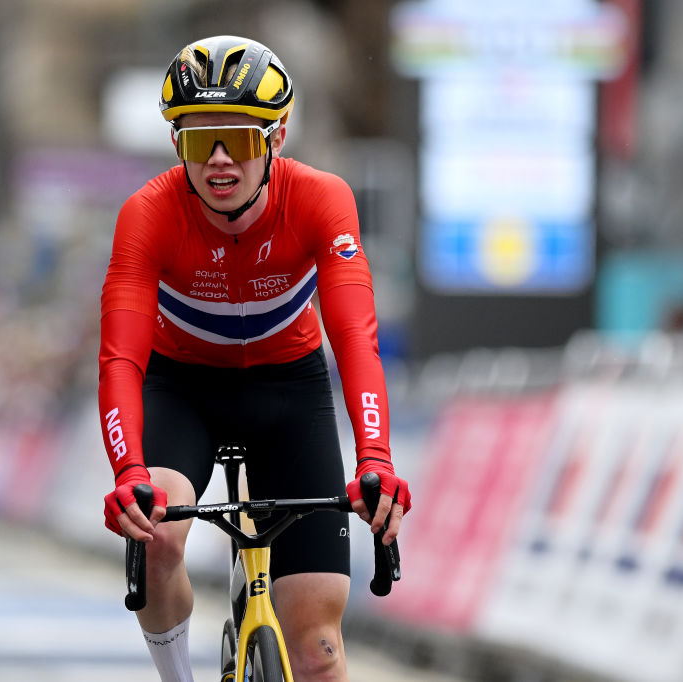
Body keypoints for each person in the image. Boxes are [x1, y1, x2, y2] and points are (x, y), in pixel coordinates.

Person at [98, 35, 411, 682]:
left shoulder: (322, 199)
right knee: (158, 538)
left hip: (287, 392)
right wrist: (129, 469)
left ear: (277, 137)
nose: (217, 161)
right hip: (180, 389)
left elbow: (355, 336)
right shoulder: (148, 214)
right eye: (195, 140)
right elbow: (121, 359)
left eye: (237, 139)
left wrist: (376, 458)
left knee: (318, 651)